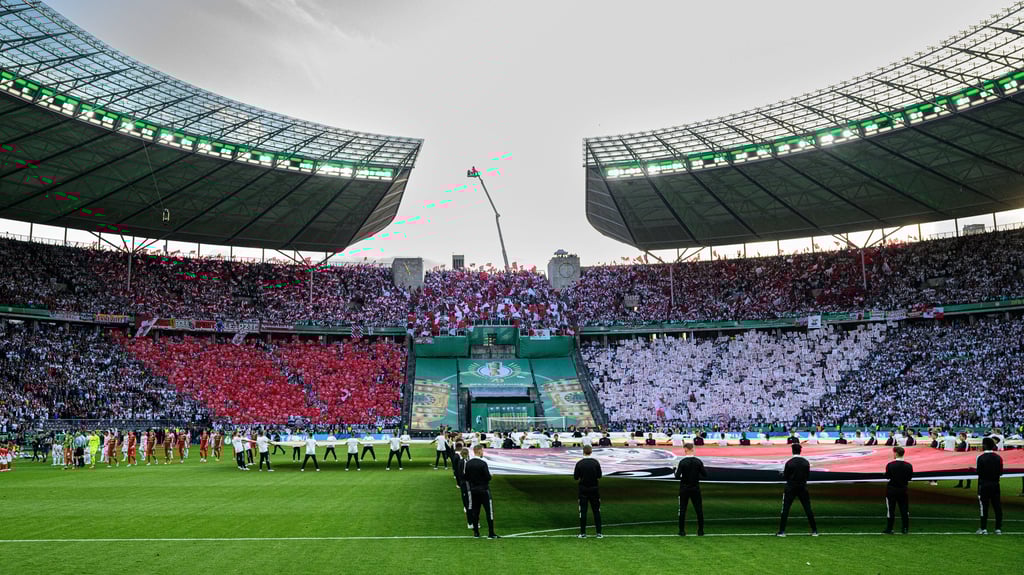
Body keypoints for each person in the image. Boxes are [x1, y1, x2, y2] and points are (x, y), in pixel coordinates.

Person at [776, 443, 818, 537]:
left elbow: (786, 477)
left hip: (791, 487)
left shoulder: (789, 462)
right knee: (808, 508)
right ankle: (814, 530)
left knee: (785, 509)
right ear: (800, 450)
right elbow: (807, 476)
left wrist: (782, 474)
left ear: (792, 451)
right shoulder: (806, 462)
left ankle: (782, 531)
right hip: (802, 487)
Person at [465, 444, 499, 539]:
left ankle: (476, 532)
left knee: (475, 511)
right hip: (484, 490)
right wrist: (490, 476)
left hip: (473, 490)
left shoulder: (468, 463)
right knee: (489, 511)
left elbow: (466, 477)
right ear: (479, 451)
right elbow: (487, 477)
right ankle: (491, 533)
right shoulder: (483, 463)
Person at [675, 442, 707, 536]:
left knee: (682, 510)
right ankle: (700, 530)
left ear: (685, 450)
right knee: (699, 510)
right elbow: (705, 474)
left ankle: (682, 531)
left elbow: (677, 476)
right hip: (695, 488)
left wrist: (675, 471)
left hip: (684, 488)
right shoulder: (698, 461)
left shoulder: (682, 462)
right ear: (692, 449)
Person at [574, 444, 603, 538]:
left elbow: (575, 477)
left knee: (583, 511)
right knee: (596, 511)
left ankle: (583, 533)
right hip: (594, 489)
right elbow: (599, 476)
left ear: (583, 451)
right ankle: (599, 533)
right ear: (591, 451)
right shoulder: (595, 462)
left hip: (583, 490)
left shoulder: (579, 463)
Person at [976, 437, 1003, 535]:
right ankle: (998, 528)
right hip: (995, 484)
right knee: (997, 506)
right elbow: (1000, 472)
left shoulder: (981, 457)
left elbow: (979, 472)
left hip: (984, 484)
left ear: (984, 445)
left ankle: (983, 528)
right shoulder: (998, 457)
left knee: (984, 506)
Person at [883, 446, 913, 534]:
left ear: (896, 453)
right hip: (903, 490)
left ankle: (890, 528)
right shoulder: (908, 465)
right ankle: (905, 528)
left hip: (892, 490)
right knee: (904, 509)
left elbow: (887, 477)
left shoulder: (890, 465)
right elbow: (909, 478)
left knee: (891, 510)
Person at [457, 447, 472, 528]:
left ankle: (465, 506)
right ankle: (470, 522)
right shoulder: (465, 462)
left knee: (465, 497)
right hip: (466, 484)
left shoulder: (461, 461)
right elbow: (463, 474)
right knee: (469, 503)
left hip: (463, 483)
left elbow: (459, 473)